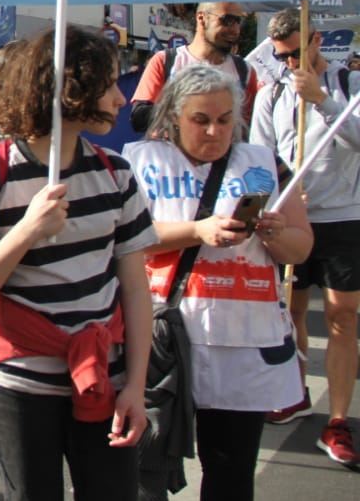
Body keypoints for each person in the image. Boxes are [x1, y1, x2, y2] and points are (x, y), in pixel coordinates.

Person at [0, 27, 156, 500]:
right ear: (69, 89)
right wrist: (26, 231)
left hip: (103, 377)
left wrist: (136, 386)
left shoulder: (117, 173)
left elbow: (136, 289)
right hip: (19, 389)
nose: (120, 99)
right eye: (108, 84)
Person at [127, 65, 312, 498]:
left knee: (231, 473)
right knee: (145, 470)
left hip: (242, 344)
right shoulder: (138, 161)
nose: (215, 131)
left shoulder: (265, 162)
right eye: (201, 120)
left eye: (225, 119)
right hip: (160, 338)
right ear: (174, 116)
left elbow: (301, 248)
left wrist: (276, 234)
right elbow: (125, 238)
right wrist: (197, 231)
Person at [250, 8, 360, 468]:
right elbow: (259, 158)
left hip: (342, 217)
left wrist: (322, 101)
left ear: (316, 41)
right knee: (290, 310)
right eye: (281, 56)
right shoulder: (271, 93)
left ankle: (337, 420)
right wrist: (281, 192)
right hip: (292, 218)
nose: (290, 63)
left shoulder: (349, 85)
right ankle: (293, 392)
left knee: (342, 316)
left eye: (296, 53)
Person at [130, 2, 258, 133]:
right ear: (202, 18)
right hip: (170, 145)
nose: (235, 30)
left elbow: (253, 126)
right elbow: (139, 118)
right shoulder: (165, 61)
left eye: (239, 22)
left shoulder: (245, 71)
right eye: (228, 20)